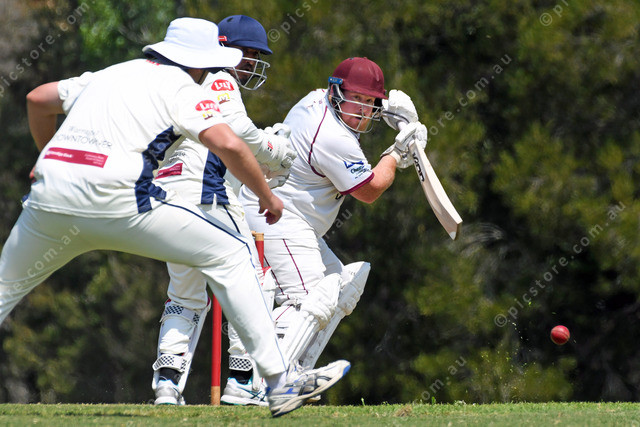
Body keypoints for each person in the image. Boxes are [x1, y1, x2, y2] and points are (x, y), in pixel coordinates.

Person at [0, 17, 349, 417]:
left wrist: (51, 156)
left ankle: (183, 382)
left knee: (5, 288)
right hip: (121, 202)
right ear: (200, 61)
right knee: (233, 254)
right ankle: (276, 385)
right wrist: (267, 196)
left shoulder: (110, 73)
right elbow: (230, 143)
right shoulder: (185, 86)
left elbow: (37, 99)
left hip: (49, 196)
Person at [233, 57, 427, 400]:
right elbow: (369, 191)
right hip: (279, 216)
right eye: (356, 99)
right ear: (336, 93)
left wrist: (389, 111)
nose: (362, 110)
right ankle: (264, 384)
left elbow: (357, 107)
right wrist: (397, 153)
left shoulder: (317, 98)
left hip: (288, 217)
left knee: (343, 287)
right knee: (312, 298)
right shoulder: (333, 137)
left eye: (369, 103)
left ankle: (295, 372)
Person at [149, 15, 294, 406]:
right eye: (247, 54)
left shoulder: (176, 81)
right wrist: (275, 151)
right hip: (209, 198)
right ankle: (243, 382)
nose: (252, 63)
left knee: (185, 295)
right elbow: (238, 132)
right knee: (255, 286)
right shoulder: (219, 77)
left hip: (169, 199)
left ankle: (167, 385)